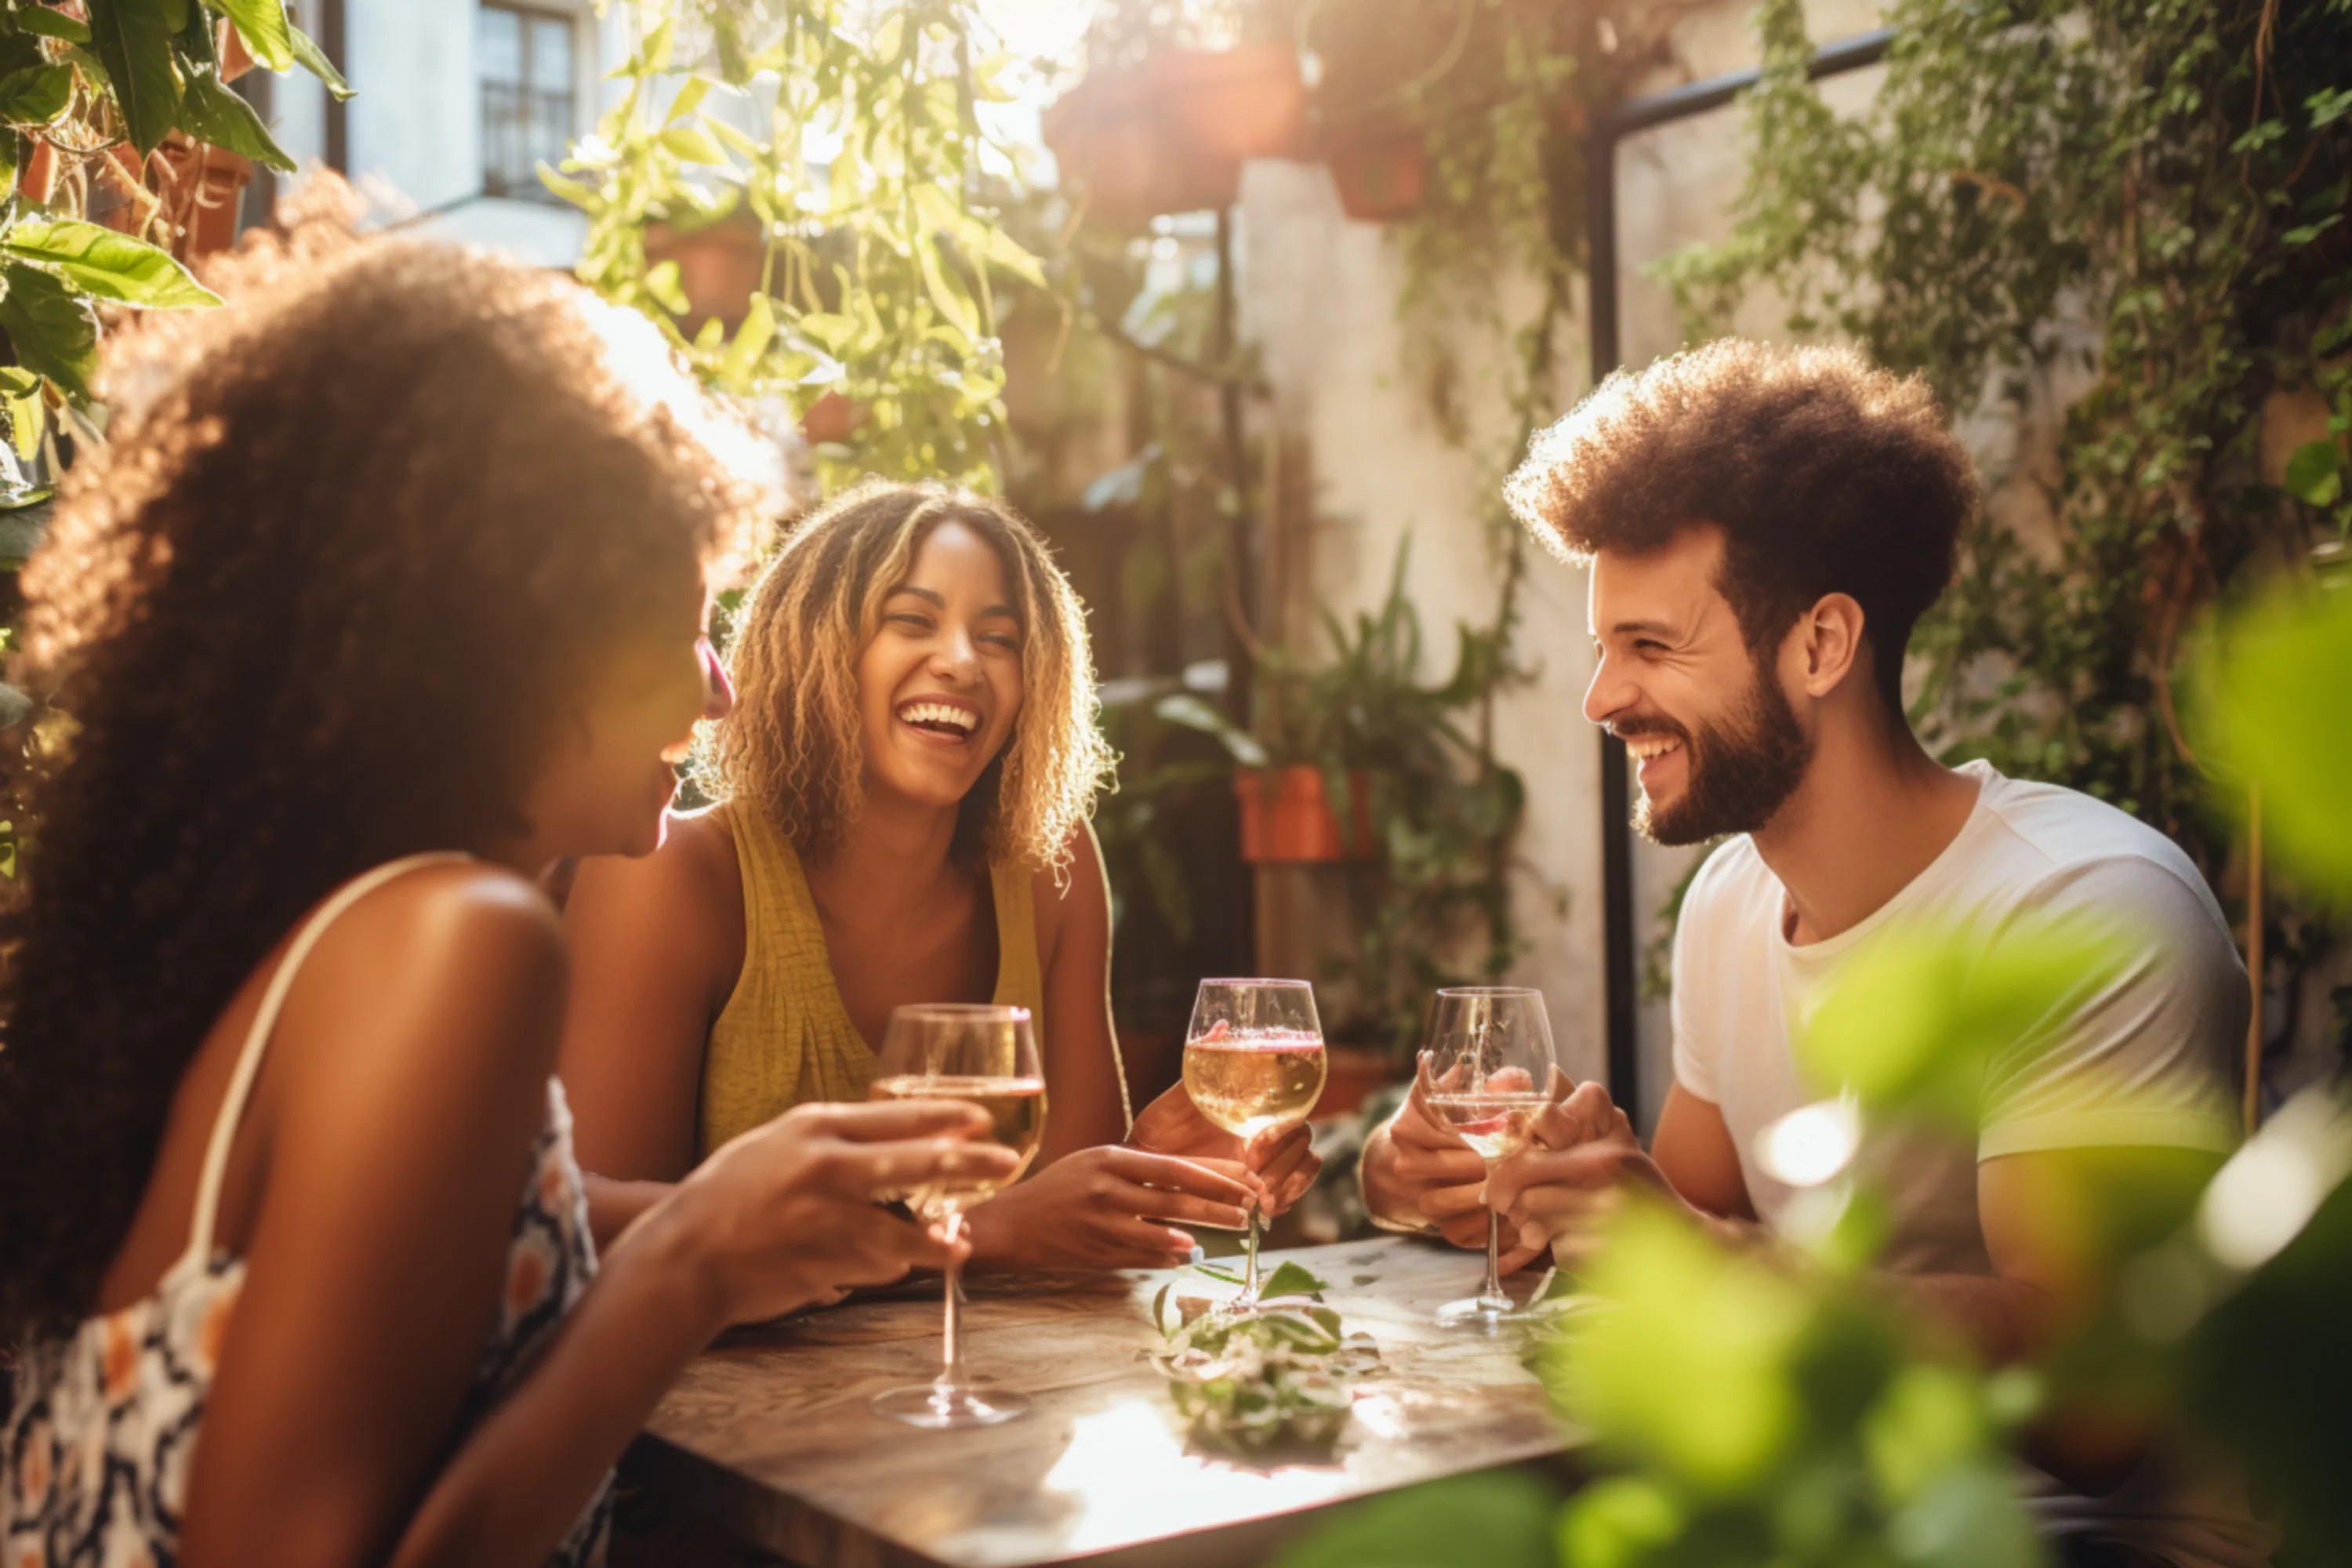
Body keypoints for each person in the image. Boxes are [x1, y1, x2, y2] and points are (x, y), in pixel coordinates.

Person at [0, 227, 1018, 1568]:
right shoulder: (456, 938)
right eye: (689, 619)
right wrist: (688, 1266)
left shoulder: (302, 932)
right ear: (524, 628)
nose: (719, 688)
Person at [1361, 339, 2268, 1567]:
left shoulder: (2085, 907)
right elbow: (1680, 1218)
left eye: (1651, 647)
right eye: (1603, 646)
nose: (1598, 699)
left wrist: (1701, 1260)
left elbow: (2099, 1406)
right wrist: (1505, 1189)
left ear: (1823, 644)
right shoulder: (1732, 903)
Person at [558, 481, 1319, 1271]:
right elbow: (604, 1251)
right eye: (911, 620)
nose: (962, 662)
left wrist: (1147, 1164)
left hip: (1003, 1388)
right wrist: (973, 1237)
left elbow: (1066, 1237)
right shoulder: (665, 875)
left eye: (1000, 638)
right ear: (812, 648)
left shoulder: (1050, 871)